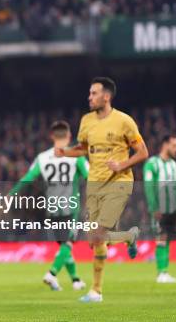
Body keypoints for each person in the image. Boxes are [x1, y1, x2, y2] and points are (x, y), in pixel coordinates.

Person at [55, 77, 148, 303]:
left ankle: (96, 291)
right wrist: (65, 152)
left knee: (98, 234)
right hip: (94, 184)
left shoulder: (124, 121)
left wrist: (121, 165)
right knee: (94, 240)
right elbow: (84, 148)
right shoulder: (86, 121)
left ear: (106, 96)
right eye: (89, 93)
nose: (89, 97)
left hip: (119, 182)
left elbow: (143, 152)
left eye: (94, 93)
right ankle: (128, 236)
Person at [9, 121, 88, 291]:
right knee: (68, 244)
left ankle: (75, 280)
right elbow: (90, 175)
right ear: (68, 136)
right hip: (70, 207)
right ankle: (51, 274)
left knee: (63, 246)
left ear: (52, 136)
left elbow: (27, 179)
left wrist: (9, 196)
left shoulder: (42, 158)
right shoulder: (76, 156)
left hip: (52, 209)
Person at [143, 134, 176, 283]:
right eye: (174, 145)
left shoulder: (175, 165)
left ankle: (164, 272)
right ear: (165, 145)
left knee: (167, 239)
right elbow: (148, 187)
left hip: (172, 210)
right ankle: (161, 273)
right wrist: (154, 207)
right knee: (161, 238)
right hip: (159, 209)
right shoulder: (152, 164)